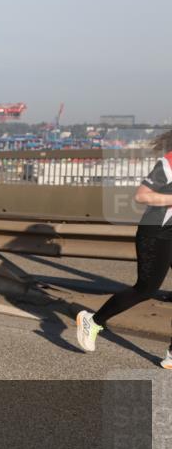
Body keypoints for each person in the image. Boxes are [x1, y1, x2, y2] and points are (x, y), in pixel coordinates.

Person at [76, 129, 172, 369]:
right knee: (147, 289)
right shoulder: (169, 163)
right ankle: (94, 320)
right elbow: (142, 196)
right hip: (155, 233)